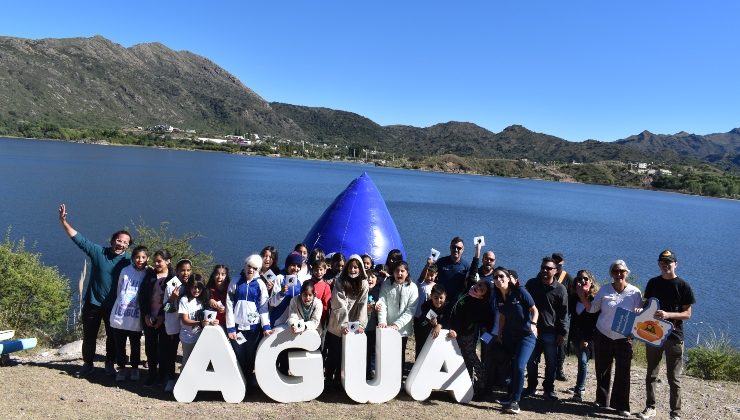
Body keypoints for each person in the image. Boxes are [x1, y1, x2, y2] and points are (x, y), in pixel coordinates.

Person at [58, 203, 131, 378]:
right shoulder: (99, 252)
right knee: (89, 336)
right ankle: (87, 364)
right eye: (119, 240)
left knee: (112, 337)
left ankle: (109, 364)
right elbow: (79, 239)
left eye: (125, 242)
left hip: (113, 306)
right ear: (112, 241)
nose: (120, 244)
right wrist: (63, 221)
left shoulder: (129, 261)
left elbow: (148, 270)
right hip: (93, 302)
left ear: (128, 246)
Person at [638, 250, 696, 420]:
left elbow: (687, 314)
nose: (665, 265)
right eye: (662, 262)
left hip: (674, 337)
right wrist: (640, 310)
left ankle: (675, 413)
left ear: (675, 264)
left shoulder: (683, 286)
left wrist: (668, 315)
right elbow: (647, 306)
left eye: (669, 262)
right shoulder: (653, 283)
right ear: (658, 264)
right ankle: (650, 408)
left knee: (674, 378)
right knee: (651, 374)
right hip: (653, 334)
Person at [581, 260, 642, 417]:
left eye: (622, 271)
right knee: (602, 369)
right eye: (615, 271)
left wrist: (639, 311)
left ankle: (622, 405)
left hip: (624, 338)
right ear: (612, 274)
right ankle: (601, 400)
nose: (619, 274)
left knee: (623, 372)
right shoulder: (605, 290)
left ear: (626, 273)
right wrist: (583, 296)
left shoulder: (635, 292)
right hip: (603, 335)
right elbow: (593, 309)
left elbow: (640, 315)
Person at [492, 267, 538, 415]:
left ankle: (515, 402)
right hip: (509, 336)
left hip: (526, 337)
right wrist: (499, 333)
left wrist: (534, 324)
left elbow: (534, 310)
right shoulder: (498, 295)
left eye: (501, 276)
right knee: (510, 365)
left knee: (519, 365)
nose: (498, 279)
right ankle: (509, 395)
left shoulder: (520, 291)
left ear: (507, 277)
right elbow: (503, 316)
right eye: (495, 277)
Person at [226, 255, 273, 393]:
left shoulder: (260, 284)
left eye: (254, 268)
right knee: (239, 354)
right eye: (249, 266)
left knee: (251, 354)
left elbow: (263, 307)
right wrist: (230, 327)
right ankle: (239, 382)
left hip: (253, 329)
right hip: (238, 328)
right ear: (245, 265)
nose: (251, 270)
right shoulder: (235, 281)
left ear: (258, 270)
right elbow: (229, 305)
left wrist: (266, 326)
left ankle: (248, 382)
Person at [523, 256, 568, 400]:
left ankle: (548, 389)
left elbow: (563, 314)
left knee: (552, 363)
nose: (544, 270)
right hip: (533, 331)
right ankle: (531, 387)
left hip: (551, 332)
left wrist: (562, 333)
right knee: (531, 361)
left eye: (548, 268)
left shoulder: (560, 289)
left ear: (555, 271)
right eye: (542, 267)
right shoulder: (531, 284)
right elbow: (523, 305)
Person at [324, 254, 369, 387]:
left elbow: (362, 304)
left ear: (360, 269)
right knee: (334, 353)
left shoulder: (364, 283)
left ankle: (341, 380)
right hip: (337, 324)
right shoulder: (340, 281)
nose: (353, 270)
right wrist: (344, 324)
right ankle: (328, 379)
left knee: (347, 354)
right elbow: (339, 303)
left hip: (353, 324)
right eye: (351, 267)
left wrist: (360, 324)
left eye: (356, 267)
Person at [110, 245, 150, 382]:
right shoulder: (125, 271)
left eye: (143, 257)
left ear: (147, 258)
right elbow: (119, 289)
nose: (140, 260)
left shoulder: (148, 273)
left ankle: (134, 368)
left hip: (136, 316)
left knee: (135, 344)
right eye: (137, 257)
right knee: (120, 344)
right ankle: (121, 368)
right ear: (133, 258)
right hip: (121, 314)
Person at [447, 281, 493, 399]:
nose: (478, 288)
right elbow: (455, 313)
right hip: (454, 332)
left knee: (470, 359)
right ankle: (462, 386)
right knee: (458, 358)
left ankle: (481, 386)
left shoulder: (482, 304)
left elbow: (486, 324)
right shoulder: (467, 292)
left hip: (469, 336)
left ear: (483, 295)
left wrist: (485, 340)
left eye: (482, 289)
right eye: (479, 285)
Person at [137, 249, 175, 386]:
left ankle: (163, 375)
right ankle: (152, 373)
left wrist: (162, 316)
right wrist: (146, 314)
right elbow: (142, 297)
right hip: (149, 317)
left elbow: (173, 302)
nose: (157, 264)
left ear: (168, 261)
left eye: (160, 261)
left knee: (164, 348)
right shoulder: (150, 276)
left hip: (165, 319)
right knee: (150, 347)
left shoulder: (173, 278)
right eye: (155, 261)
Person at [377, 261, 419, 374]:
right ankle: (385, 378)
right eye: (397, 271)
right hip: (387, 328)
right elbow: (382, 303)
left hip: (403, 330)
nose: (399, 273)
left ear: (407, 273)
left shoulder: (413, 287)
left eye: (402, 271)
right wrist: (382, 321)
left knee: (399, 355)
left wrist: (397, 325)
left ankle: (398, 381)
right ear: (393, 272)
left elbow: (410, 310)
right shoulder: (386, 285)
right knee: (386, 354)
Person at [162, 258, 192, 392]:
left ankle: (188, 378)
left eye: (188, 270)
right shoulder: (172, 284)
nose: (186, 273)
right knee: (171, 353)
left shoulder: (193, 284)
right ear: (178, 271)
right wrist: (172, 298)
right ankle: (170, 379)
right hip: (174, 323)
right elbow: (166, 308)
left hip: (189, 324)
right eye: (183, 270)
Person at [569, 270, 599, 402]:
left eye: (585, 279)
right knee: (582, 361)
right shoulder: (573, 298)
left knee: (582, 361)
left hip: (588, 337)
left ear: (591, 281)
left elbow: (595, 321)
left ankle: (579, 390)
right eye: (579, 279)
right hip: (575, 335)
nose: (582, 281)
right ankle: (580, 385)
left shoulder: (595, 299)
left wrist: (587, 339)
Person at [179, 274, 217, 368]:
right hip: (188, 337)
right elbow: (185, 320)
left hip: (201, 336)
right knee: (187, 361)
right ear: (189, 287)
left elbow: (207, 316)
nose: (196, 290)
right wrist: (200, 323)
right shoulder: (184, 300)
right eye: (194, 287)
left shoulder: (203, 300)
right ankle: (183, 381)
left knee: (200, 362)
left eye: (199, 288)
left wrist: (212, 321)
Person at [424, 237, 470, 305]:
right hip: (439, 301)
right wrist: (428, 265)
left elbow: (468, 285)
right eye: (453, 247)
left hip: (456, 302)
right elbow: (429, 277)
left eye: (459, 248)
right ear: (450, 248)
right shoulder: (441, 262)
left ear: (463, 250)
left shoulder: (466, 266)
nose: (456, 250)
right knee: (429, 315)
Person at [552, 252, 573, 382]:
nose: (558, 264)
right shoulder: (545, 274)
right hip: (547, 316)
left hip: (562, 317)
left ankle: (559, 369)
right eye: (555, 261)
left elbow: (572, 297)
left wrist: (568, 314)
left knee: (561, 344)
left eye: (560, 262)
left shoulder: (568, 278)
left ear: (563, 263)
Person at [413, 284, 450, 357]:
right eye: (436, 298)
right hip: (422, 329)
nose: (438, 300)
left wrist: (439, 325)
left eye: (441, 298)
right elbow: (423, 308)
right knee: (420, 348)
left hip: (437, 333)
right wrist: (431, 318)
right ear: (431, 296)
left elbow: (447, 320)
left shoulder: (448, 307)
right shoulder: (426, 305)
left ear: (445, 296)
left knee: (434, 351)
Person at [269, 252, 305, 326]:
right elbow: (272, 302)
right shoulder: (280, 278)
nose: (295, 268)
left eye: (298, 266)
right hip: (277, 321)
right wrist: (281, 293)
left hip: (292, 321)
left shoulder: (299, 281)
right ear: (287, 265)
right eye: (293, 265)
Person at [413, 262, 437, 356]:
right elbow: (421, 277)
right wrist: (426, 265)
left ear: (436, 274)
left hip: (430, 318)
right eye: (428, 274)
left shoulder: (436, 287)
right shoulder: (420, 284)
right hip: (418, 317)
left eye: (432, 275)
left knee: (429, 340)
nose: (429, 277)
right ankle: (417, 361)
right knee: (419, 340)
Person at [365, 270, 382, 378]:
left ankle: (371, 371)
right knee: (363, 349)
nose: (370, 280)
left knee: (372, 349)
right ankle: (364, 370)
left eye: (372, 277)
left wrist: (377, 306)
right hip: (363, 326)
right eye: (367, 278)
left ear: (377, 279)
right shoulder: (361, 291)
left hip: (373, 326)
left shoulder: (379, 291)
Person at [207, 265, 231, 331]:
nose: (219, 277)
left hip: (228, 323)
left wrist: (226, 309)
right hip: (214, 323)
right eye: (217, 274)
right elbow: (202, 304)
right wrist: (209, 300)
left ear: (226, 276)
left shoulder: (230, 289)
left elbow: (236, 305)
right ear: (213, 275)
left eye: (223, 274)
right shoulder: (208, 289)